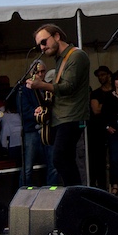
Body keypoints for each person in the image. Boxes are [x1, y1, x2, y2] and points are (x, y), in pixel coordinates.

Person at [26, 23, 90, 187]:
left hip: (72, 116)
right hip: (60, 116)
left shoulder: (76, 56)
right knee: (65, 159)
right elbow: (57, 93)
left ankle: (76, 194)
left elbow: (68, 87)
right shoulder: (60, 59)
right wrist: (44, 105)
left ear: (56, 36)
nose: (42, 47)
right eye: (39, 45)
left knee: (60, 158)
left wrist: (41, 85)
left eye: (44, 42)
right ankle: (75, 193)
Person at [16, 61, 59, 186]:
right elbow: (23, 110)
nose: (40, 74)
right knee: (27, 167)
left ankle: (51, 192)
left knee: (53, 164)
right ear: (31, 73)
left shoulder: (48, 87)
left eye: (42, 71)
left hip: (48, 129)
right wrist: (36, 112)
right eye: (37, 72)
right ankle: (24, 194)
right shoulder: (24, 89)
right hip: (32, 130)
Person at [87, 65, 113, 189]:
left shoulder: (114, 90)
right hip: (98, 129)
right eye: (99, 76)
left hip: (114, 126)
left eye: (103, 75)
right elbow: (96, 110)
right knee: (98, 158)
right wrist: (108, 104)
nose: (101, 77)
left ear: (109, 75)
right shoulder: (96, 93)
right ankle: (100, 185)